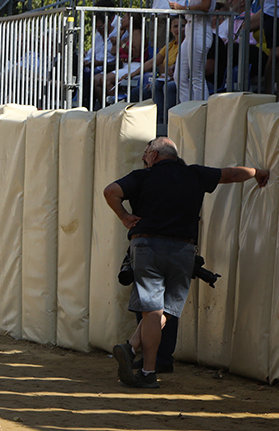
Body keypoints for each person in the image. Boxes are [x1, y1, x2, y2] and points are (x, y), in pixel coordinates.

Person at [103, 136, 268, 388]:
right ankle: (135, 354)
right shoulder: (195, 175)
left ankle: (143, 365)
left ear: (155, 155)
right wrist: (259, 172)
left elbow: (110, 191)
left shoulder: (142, 177)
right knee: (166, 310)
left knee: (151, 309)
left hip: (147, 245)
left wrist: (125, 217)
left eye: (146, 153)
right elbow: (233, 174)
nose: (144, 158)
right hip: (182, 248)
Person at [169, 0, 217, 102]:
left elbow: (205, 5)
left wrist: (183, 8)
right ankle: (189, 109)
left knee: (196, 76)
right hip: (191, 29)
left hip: (200, 29)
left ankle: (202, 111)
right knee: (179, 75)